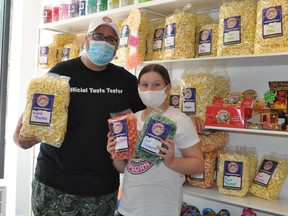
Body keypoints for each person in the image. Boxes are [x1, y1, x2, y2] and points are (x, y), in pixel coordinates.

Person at [13, 15, 146, 216]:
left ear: (117, 46)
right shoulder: (62, 72)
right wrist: (19, 136)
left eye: (111, 39)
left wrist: (185, 119)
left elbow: (146, 117)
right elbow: (33, 109)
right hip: (54, 185)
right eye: (98, 36)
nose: (104, 43)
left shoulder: (126, 81)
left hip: (101, 190)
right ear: (86, 40)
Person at [107, 64, 205, 216]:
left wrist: (171, 161)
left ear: (167, 88)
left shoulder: (180, 120)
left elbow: (198, 165)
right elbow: (123, 168)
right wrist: (116, 153)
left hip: (162, 209)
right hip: (128, 207)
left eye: (156, 85)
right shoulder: (131, 120)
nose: (150, 90)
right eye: (144, 85)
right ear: (138, 88)